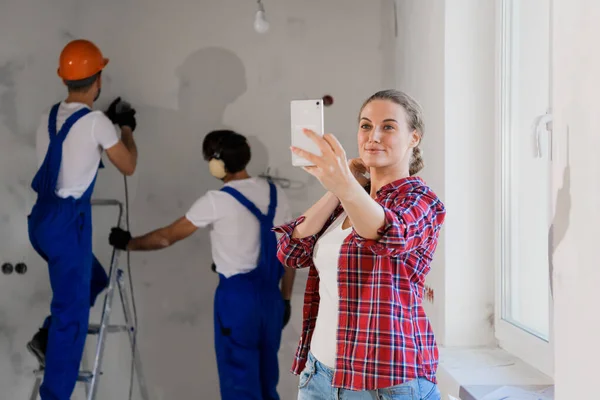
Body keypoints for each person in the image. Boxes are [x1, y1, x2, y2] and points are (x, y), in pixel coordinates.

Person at [274, 89, 446, 400]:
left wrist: (345, 184)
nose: (373, 136)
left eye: (389, 127)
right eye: (366, 126)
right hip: (319, 376)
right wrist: (340, 189)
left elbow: (387, 235)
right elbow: (292, 249)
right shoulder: (349, 199)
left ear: (414, 138)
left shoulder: (421, 201)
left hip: (384, 384)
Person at [108, 129, 296, 400]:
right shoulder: (276, 194)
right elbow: (292, 253)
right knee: (267, 382)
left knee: (240, 383)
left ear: (217, 163)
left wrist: (129, 243)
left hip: (237, 301)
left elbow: (165, 238)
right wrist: (286, 299)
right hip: (271, 300)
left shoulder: (217, 201)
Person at [25, 39, 139, 400]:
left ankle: (47, 336)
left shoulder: (46, 116)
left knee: (94, 279)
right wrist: (125, 130)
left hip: (41, 221)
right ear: (98, 79)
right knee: (71, 316)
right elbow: (128, 165)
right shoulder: (96, 123)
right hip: (67, 224)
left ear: (65, 79)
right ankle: (55, 396)